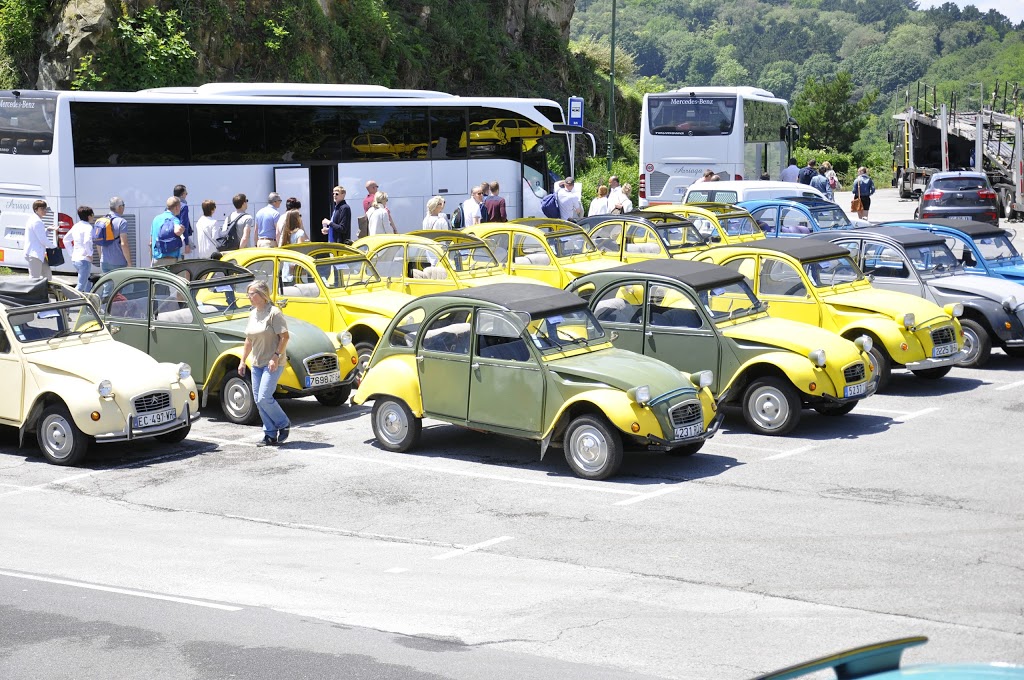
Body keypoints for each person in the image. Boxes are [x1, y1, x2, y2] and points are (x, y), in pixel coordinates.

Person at [239, 280, 291, 447]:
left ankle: (283, 423)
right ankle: (269, 434)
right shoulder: (253, 313)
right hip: (257, 363)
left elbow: (285, 337)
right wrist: (242, 361)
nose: (249, 297)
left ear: (262, 295)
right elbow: (248, 340)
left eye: (252, 294)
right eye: (248, 294)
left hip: (273, 362)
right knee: (258, 400)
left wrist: (276, 356)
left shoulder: (274, 313)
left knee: (264, 397)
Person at [150, 196, 185, 266]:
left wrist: (152, 259)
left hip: (157, 258)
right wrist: (182, 230)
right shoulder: (174, 219)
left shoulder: (156, 219)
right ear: (177, 207)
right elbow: (177, 231)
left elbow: (150, 242)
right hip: (172, 260)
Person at [23, 199, 53, 280]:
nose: (44, 210)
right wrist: (53, 247)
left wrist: (48, 230)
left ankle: (46, 292)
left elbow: (39, 236)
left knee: (47, 276)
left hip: (39, 254)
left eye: (45, 208)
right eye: (42, 209)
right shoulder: (36, 221)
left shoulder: (35, 219)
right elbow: (42, 239)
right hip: (35, 254)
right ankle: (31, 293)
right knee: (34, 278)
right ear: (36, 209)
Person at [100, 197, 132, 273]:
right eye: (123, 205)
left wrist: (101, 257)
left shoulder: (102, 220)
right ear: (120, 207)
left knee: (108, 284)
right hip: (118, 261)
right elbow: (124, 244)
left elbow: (98, 242)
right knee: (123, 284)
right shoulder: (122, 222)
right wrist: (129, 262)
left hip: (104, 260)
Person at [67, 205, 95, 292]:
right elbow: (87, 241)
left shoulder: (76, 226)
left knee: (87, 283)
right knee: (81, 286)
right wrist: (90, 254)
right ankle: (67, 304)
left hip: (75, 259)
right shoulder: (88, 227)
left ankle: (88, 304)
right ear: (89, 216)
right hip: (84, 259)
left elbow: (66, 240)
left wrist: (71, 253)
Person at [173, 184, 193, 257]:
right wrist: (187, 244)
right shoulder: (184, 206)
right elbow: (184, 225)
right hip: (180, 240)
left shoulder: (169, 206)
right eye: (186, 193)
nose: (187, 194)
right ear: (181, 195)